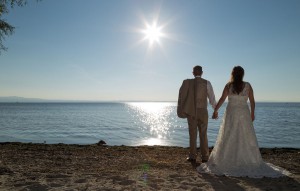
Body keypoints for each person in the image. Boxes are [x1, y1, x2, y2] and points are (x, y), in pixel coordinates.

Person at [197, 66, 289, 178]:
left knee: (230, 134)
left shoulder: (228, 85)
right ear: (242, 74)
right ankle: (244, 159)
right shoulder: (247, 85)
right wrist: (252, 113)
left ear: (233, 74)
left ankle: (230, 159)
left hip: (232, 113)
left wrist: (216, 110)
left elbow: (222, 99)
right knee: (244, 135)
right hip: (244, 113)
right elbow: (252, 101)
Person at [177, 65, 216, 163]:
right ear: (202, 73)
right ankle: (205, 157)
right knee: (203, 134)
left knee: (192, 134)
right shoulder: (207, 83)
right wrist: (215, 109)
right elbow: (212, 98)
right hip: (203, 111)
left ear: (193, 73)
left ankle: (192, 156)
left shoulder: (187, 83)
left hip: (191, 111)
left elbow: (182, 96)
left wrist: (182, 109)